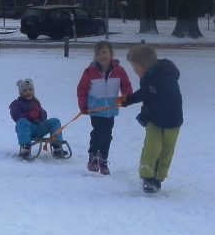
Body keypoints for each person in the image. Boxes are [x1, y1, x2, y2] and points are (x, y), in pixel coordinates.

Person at [122, 44, 183, 193]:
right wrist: (129, 99)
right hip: (154, 122)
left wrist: (146, 115)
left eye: (135, 68)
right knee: (152, 148)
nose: (134, 71)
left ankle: (158, 177)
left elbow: (166, 101)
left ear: (144, 66)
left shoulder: (165, 78)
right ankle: (147, 177)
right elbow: (146, 92)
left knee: (166, 151)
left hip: (172, 121)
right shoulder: (148, 76)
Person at [76, 41, 133, 175]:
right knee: (98, 132)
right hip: (95, 109)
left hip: (111, 110)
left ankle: (103, 159)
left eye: (104, 52)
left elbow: (126, 85)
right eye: (98, 53)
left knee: (107, 135)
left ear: (111, 53)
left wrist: (127, 97)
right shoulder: (89, 72)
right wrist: (83, 105)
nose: (101, 56)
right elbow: (81, 89)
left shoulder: (119, 71)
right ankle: (93, 157)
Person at [9, 78, 66, 159]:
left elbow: (44, 117)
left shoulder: (35, 102)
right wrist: (28, 115)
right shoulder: (17, 104)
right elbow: (16, 116)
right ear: (20, 92)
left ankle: (57, 146)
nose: (28, 92)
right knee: (22, 121)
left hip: (39, 128)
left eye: (30, 90)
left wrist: (40, 113)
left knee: (55, 121)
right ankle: (25, 148)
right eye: (25, 90)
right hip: (26, 130)